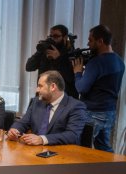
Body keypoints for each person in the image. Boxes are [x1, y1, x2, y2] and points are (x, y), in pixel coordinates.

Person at [72, 24, 125, 152]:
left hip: (93, 114)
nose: (88, 43)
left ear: (100, 41)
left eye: (90, 40)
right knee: (104, 148)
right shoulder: (119, 61)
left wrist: (78, 73)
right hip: (109, 113)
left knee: (81, 148)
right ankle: (113, 171)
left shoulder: (96, 63)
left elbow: (82, 88)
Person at [8, 70, 86, 145]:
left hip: (62, 154)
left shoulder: (76, 106)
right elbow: (23, 122)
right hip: (35, 151)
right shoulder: (36, 102)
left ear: (52, 87)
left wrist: (42, 139)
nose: (37, 90)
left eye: (40, 86)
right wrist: (15, 130)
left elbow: (72, 135)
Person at [26, 24, 78, 99]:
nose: (53, 39)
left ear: (65, 37)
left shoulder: (71, 53)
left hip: (63, 99)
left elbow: (70, 78)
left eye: (56, 36)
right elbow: (28, 67)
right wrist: (41, 51)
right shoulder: (45, 51)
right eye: (51, 36)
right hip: (44, 96)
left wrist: (58, 59)